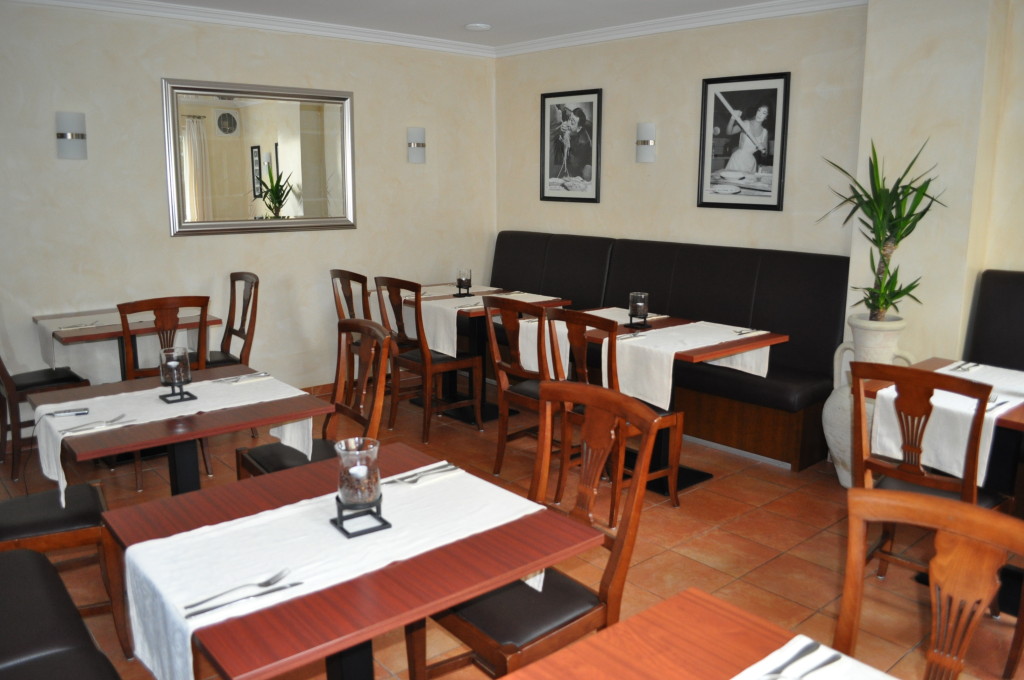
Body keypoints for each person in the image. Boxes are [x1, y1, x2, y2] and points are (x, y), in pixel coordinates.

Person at [551, 105, 593, 182]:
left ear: (579, 128)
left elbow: (574, 166)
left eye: (572, 122)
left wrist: (565, 139)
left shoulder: (583, 142)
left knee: (586, 175)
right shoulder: (570, 126)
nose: (568, 123)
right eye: (569, 119)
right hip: (570, 162)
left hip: (582, 164)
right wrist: (561, 130)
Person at [724, 103, 770, 174]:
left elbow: (765, 154)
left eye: (764, 113)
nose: (760, 114)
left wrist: (763, 149)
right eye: (759, 110)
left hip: (751, 162)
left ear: (766, 117)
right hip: (738, 159)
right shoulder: (746, 123)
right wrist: (732, 118)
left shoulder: (764, 132)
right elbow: (729, 132)